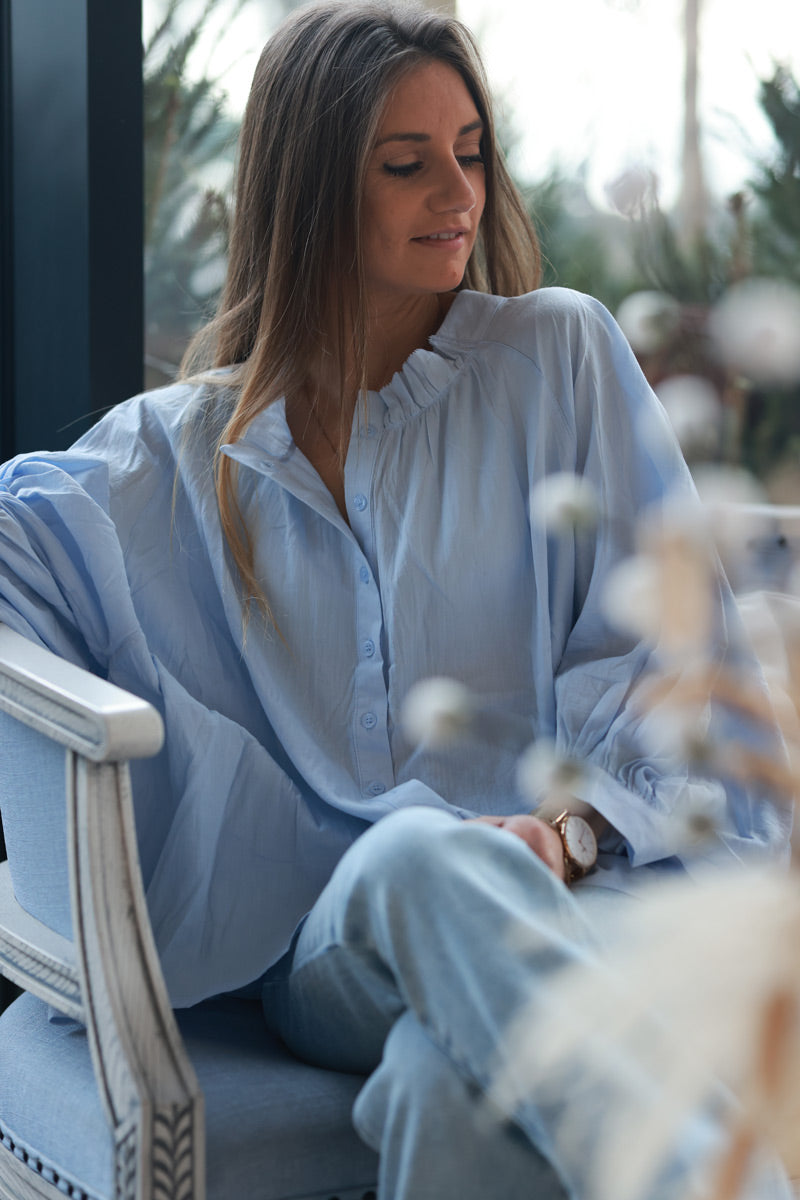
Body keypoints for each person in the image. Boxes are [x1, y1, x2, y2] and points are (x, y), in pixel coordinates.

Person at [0, 3, 792, 1197]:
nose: (457, 193)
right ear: (312, 189)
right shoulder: (174, 459)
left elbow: (663, 670)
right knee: (422, 855)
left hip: (576, 913)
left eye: (470, 152)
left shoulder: (557, 362)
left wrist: (568, 837)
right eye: (406, 164)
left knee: (436, 1083)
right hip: (338, 947)